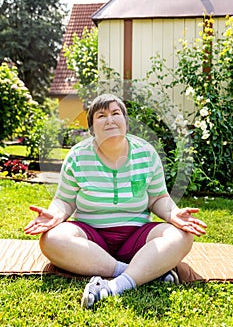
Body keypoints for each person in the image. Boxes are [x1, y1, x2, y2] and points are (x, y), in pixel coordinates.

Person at [24, 93, 207, 309]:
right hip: (91, 239)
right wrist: (55, 215)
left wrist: (173, 213)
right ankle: (140, 272)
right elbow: (65, 200)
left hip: (137, 237)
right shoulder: (77, 156)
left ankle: (115, 286)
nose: (109, 119)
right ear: (92, 128)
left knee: (182, 236)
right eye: (101, 115)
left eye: (115, 113)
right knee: (51, 239)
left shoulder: (146, 154)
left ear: (125, 122)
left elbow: (158, 198)